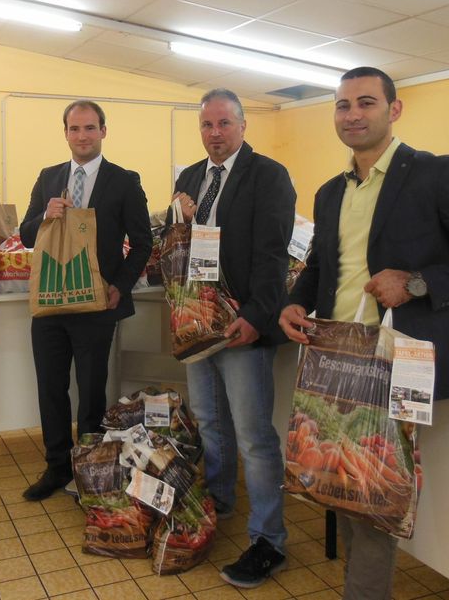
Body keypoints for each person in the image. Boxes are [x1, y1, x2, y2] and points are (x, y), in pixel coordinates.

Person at [280, 67, 449, 600]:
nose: (352, 115)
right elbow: (323, 264)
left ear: (394, 110)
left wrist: (416, 283)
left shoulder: (434, 175)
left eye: (366, 103)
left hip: (398, 363)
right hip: (336, 359)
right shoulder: (329, 191)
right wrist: (295, 301)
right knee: (341, 488)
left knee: (371, 498)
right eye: (343, 105)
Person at [171, 88, 296, 588]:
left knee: (254, 437)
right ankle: (219, 504)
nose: (215, 133)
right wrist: (175, 213)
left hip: (243, 325)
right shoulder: (189, 178)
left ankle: (269, 541)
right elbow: (180, 248)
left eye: (224, 124)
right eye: (207, 126)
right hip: (199, 323)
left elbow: (274, 254)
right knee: (208, 420)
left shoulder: (268, 176)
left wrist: (258, 316)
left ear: (243, 126)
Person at [19, 100, 152, 500]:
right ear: (65, 133)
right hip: (49, 305)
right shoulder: (48, 178)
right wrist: (45, 215)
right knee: (50, 388)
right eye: (75, 129)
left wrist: (120, 286)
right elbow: (26, 235)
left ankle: (90, 470)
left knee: (92, 390)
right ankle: (57, 467)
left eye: (90, 128)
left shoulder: (124, 181)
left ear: (103, 132)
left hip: (97, 306)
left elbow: (143, 243)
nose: (82, 136)